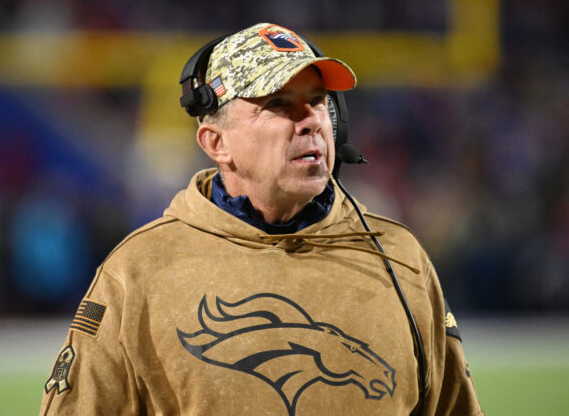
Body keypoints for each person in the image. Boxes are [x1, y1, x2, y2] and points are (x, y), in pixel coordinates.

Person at [40, 23, 483, 416]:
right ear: (216, 143)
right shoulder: (136, 272)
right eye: (279, 104)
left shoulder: (400, 257)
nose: (310, 121)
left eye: (317, 102)